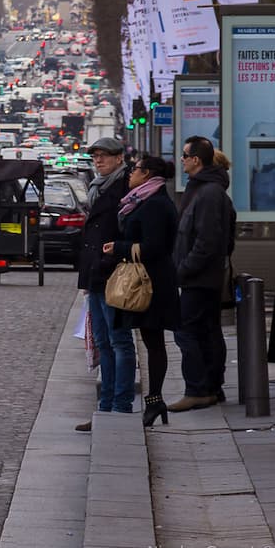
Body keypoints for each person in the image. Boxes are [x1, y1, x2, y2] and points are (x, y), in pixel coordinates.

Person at [102, 154, 180, 426]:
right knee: (151, 340)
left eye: (134, 169)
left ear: (146, 174)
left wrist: (120, 248)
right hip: (145, 279)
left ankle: (154, 401)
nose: (130, 174)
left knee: (154, 342)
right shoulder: (144, 199)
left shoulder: (156, 204)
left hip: (151, 283)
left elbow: (155, 246)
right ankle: (154, 402)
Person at [168, 136, 236, 412]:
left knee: (186, 331)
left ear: (196, 159)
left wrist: (184, 270)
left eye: (185, 155)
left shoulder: (208, 193)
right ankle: (211, 387)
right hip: (200, 276)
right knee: (207, 331)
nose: (181, 159)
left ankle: (197, 389)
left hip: (199, 277)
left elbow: (208, 241)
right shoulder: (202, 189)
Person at [75, 136, 133, 431]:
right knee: (103, 342)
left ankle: (121, 405)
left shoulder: (126, 187)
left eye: (105, 156)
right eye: (96, 156)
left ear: (119, 157)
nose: (99, 161)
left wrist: (109, 261)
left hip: (114, 273)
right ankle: (106, 405)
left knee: (119, 340)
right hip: (96, 274)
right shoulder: (98, 187)